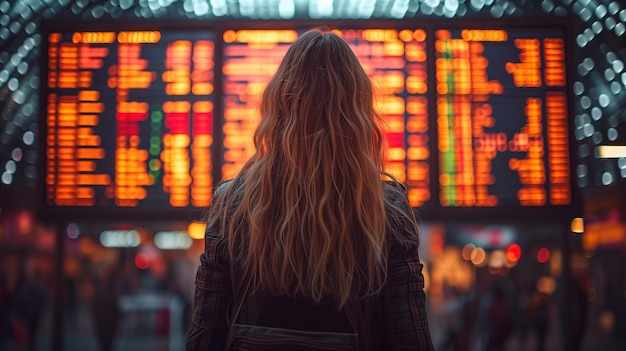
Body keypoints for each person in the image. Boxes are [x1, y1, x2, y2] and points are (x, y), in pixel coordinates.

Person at [186, 28, 434, 350]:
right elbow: (409, 337)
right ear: (357, 113)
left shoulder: (233, 205)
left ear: (279, 104)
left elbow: (205, 335)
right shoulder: (387, 210)